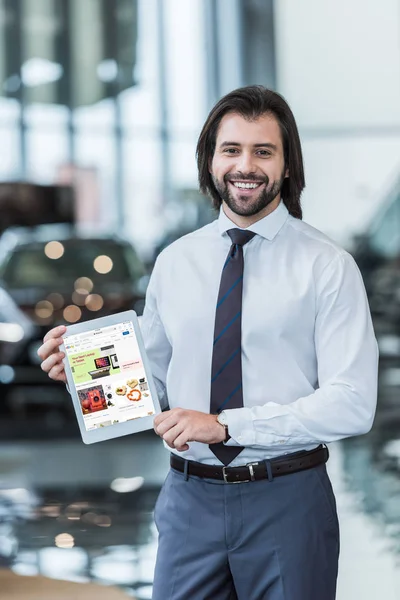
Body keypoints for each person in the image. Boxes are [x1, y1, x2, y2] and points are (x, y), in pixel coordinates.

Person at [37, 85, 379, 600]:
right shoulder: (176, 262)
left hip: (287, 499)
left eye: (263, 151)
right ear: (211, 161)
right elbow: (148, 382)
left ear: (287, 166)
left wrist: (225, 426)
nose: (247, 165)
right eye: (231, 150)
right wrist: (82, 373)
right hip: (188, 500)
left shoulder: (327, 266)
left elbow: (353, 404)